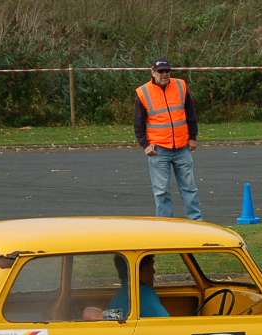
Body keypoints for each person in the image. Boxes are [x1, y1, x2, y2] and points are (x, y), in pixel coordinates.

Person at [134, 57, 203, 221]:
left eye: (167, 71)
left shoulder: (180, 86)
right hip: (158, 150)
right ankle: (165, 225)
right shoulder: (143, 92)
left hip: (182, 147)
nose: (164, 74)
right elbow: (139, 122)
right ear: (152, 72)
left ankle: (195, 221)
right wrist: (145, 145)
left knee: (189, 188)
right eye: (160, 71)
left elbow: (190, 114)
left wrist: (193, 137)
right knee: (161, 191)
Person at [84, 255, 169, 320]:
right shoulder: (144, 293)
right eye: (152, 265)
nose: (154, 270)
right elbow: (164, 321)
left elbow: (113, 317)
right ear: (144, 268)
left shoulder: (117, 297)